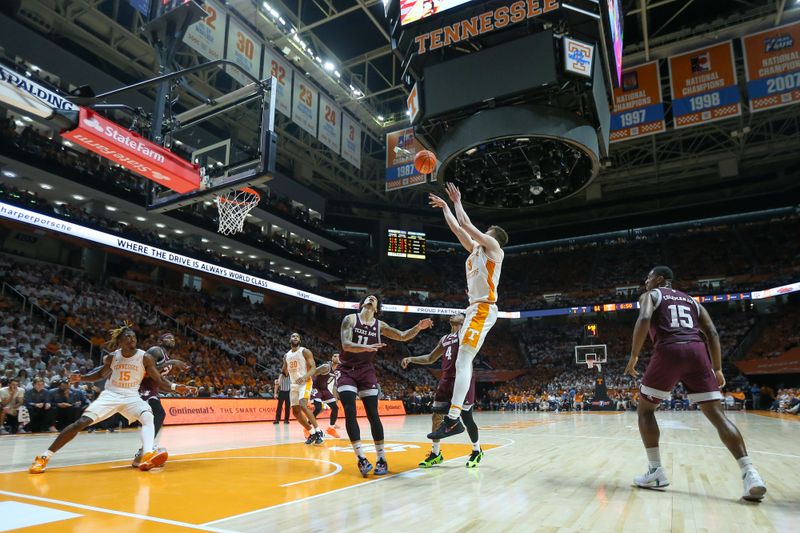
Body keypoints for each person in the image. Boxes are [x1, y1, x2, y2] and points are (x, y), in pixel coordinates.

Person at [624, 266, 767, 501]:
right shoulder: (692, 301)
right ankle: (750, 473)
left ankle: (655, 470)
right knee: (718, 416)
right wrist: (718, 367)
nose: (645, 282)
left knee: (645, 411)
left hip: (669, 350)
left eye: (648, 278)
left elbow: (645, 317)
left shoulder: (652, 295)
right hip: (698, 352)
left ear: (659, 279)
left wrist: (634, 356)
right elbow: (711, 331)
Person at [28, 323, 196, 474]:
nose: (132, 339)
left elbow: (158, 380)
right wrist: (82, 378)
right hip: (112, 395)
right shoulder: (112, 357)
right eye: (127, 337)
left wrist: (175, 387)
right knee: (81, 423)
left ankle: (147, 454)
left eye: (134, 337)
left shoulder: (145, 357)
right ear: (120, 342)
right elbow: (100, 374)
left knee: (148, 415)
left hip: (132, 396)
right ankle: (44, 457)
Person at [428, 183, 507, 439]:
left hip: (483, 308)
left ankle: (453, 419)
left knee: (463, 361)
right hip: (473, 309)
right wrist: (444, 208)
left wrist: (457, 201)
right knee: (463, 361)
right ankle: (454, 418)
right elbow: (457, 227)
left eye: (486, 232)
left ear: (492, 236)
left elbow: (466, 224)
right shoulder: (475, 251)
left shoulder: (494, 249)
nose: (481, 234)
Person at [339, 294, 433, 476]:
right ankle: (361, 459)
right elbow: (345, 345)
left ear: (376, 308)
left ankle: (381, 458)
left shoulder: (379, 325)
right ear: (363, 303)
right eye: (368, 297)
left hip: (365, 370)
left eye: (374, 299)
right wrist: (365, 348)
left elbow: (403, 336)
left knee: (373, 414)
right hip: (346, 370)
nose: (371, 298)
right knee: (350, 410)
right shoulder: (350, 319)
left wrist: (418, 327)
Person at [402, 313, 483, 468]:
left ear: (464, 320)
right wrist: (411, 358)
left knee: (467, 418)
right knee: (436, 415)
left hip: (462, 378)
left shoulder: (465, 333)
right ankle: (436, 453)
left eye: (459, 314)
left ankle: (476, 450)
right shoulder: (445, 339)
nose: (454, 314)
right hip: (446, 378)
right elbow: (430, 358)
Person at [131, 332, 189, 468]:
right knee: (158, 413)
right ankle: (144, 451)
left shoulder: (166, 357)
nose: (171, 339)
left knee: (157, 415)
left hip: (152, 390)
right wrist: (172, 362)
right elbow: (146, 369)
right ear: (160, 341)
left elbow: (160, 380)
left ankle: (145, 451)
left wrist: (177, 388)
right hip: (141, 387)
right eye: (167, 338)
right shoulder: (155, 350)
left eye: (173, 338)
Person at [282, 332, 324, 445]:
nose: (295, 338)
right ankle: (311, 433)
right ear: (290, 340)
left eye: (297, 336)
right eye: (293, 336)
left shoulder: (305, 351)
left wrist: (305, 377)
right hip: (293, 384)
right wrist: (280, 379)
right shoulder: (287, 355)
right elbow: (284, 372)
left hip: (305, 382)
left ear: (299, 340)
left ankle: (319, 432)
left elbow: (313, 368)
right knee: (295, 412)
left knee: (303, 404)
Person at [311, 353, 341, 439]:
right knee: (318, 408)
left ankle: (331, 428)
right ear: (332, 358)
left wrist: (335, 395)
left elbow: (334, 383)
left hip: (325, 389)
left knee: (335, 408)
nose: (336, 357)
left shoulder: (338, 370)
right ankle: (307, 428)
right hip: (316, 387)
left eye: (338, 356)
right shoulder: (326, 366)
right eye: (334, 356)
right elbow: (313, 372)